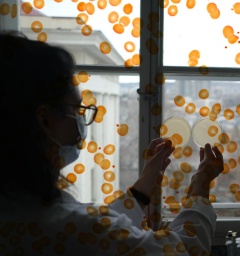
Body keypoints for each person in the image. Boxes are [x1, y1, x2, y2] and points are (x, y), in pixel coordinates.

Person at [0, 31, 224, 256]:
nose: (82, 119)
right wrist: (199, 187)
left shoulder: (18, 209)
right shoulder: (76, 229)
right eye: (77, 109)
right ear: (46, 120)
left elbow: (104, 230)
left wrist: (145, 185)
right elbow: (184, 251)